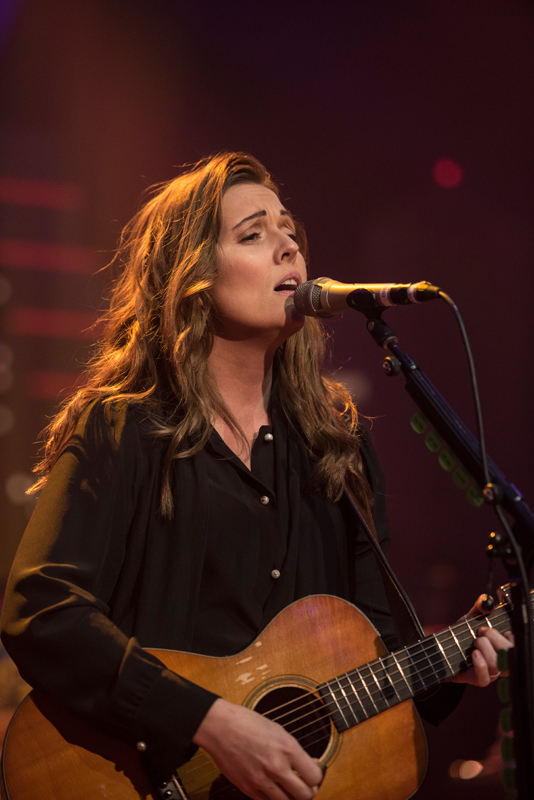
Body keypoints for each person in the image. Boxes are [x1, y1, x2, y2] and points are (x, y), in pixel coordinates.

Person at [0, 152, 513, 800]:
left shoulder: (339, 446)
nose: (287, 247)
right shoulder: (122, 430)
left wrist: (443, 668)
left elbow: (372, 653)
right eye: (253, 234)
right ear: (191, 274)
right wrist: (207, 722)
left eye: (290, 232)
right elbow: (41, 609)